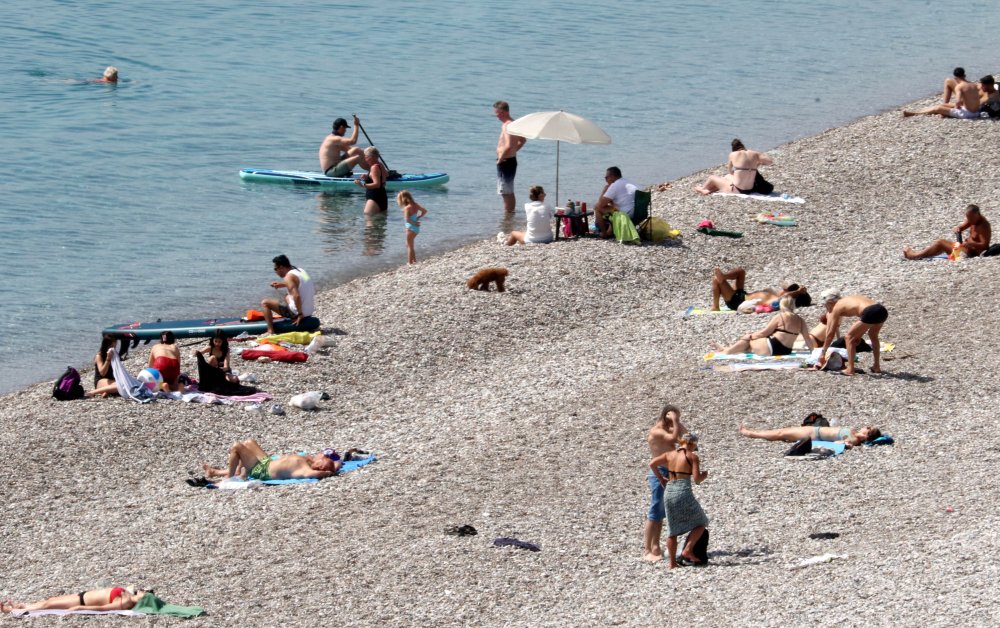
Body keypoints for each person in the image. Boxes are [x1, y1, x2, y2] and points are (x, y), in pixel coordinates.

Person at [649, 433, 709, 569]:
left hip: (669, 491)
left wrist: (660, 478)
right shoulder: (692, 456)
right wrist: (704, 475)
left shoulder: (669, 454)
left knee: (672, 530)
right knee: (701, 522)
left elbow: (652, 464)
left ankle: (672, 564)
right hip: (683, 491)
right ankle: (687, 549)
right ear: (692, 444)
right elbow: (697, 479)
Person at [643, 405, 688, 563]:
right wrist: (674, 420)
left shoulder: (668, 429)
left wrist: (677, 421)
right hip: (659, 473)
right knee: (655, 510)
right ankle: (647, 549)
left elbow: (686, 438)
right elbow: (672, 438)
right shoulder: (657, 431)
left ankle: (655, 546)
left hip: (669, 472)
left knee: (661, 512)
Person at [814, 290, 888, 376]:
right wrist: (858, 336)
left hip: (870, 312)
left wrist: (822, 354)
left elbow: (830, 334)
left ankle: (850, 369)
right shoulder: (848, 299)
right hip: (881, 310)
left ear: (830, 302)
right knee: (873, 336)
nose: (825, 307)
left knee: (848, 338)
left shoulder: (835, 307)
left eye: (825, 305)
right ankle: (876, 366)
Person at [712, 296, 815, 356]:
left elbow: (764, 333)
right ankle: (726, 349)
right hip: (786, 351)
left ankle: (726, 351)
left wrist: (750, 335)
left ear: (782, 305)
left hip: (772, 346)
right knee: (748, 347)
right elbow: (807, 338)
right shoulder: (801, 320)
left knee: (747, 341)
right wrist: (813, 353)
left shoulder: (780, 317)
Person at [201, 439, 342, 481]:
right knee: (249, 442)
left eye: (322, 461)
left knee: (237, 447)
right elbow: (337, 463)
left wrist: (329, 473)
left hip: (261, 470)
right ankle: (215, 472)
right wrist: (336, 465)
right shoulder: (309, 461)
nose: (320, 458)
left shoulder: (307, 470)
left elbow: (320, 473)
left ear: (321, 468)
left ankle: (229, 479)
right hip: (267, 462)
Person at [904, 204, 991, 260]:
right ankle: (918, 254)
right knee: (941, 243)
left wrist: (970, 243)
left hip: (968, 255)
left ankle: (914, 256)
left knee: (940, 243)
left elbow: (985, 245)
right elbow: (962, 226)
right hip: (965, 248)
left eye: (971, 218)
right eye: (968, 218)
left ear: (978, 215)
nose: (969, 220)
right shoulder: (973, 220)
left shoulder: (984, 226)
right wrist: (958, 228)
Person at [710, 266, 811, 312]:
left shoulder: (777, 301)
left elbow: (785, 297)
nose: (782, 289)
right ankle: (724, 276)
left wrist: (797, 292)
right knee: (741, 271)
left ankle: (715, 306)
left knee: (716, 280)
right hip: (742, 295)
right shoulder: (774, 295)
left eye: (785, 289)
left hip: (737, 301)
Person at [694, 139, 773, 195]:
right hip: (750, 189)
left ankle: (703, 189)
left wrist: (738, 171)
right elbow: (769, 161)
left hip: (737, 190)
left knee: (712, 177)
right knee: (728, 177)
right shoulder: (755, 153)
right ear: (743, 146)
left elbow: (730, 171)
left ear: (734, 149)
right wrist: (757, 164)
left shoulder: (733, 154)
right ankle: (712, 189)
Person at [261, 254, 315, 335]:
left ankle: (270, 330)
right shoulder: (300, 270)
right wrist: (282, 284)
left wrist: (300, 314)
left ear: (281, 267)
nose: (275, 272)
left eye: (275, 269)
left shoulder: (288, 277)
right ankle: (296, 311)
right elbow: (302, 283)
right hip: (309, 310)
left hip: (299, 313)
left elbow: (297, 296)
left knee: (265, 303)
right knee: (287, 296)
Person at [2, 586, 147, 614]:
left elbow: (103, 609)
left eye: (146, 594)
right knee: (50, 599)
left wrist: (79, 609)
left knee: (48, 605)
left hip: (81, 602)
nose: (144, 591)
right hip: (82, 595)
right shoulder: (127, 593)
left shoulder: (125, 603)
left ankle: (12, 610)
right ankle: (23, 605)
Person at [903, 75, 987, 118]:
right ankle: (921, 111)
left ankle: (915, 113)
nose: (981, 86)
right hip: (973, 111)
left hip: (969, 113)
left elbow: (958, 102)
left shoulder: (963, 87)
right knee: (942, 106)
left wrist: (959, 105)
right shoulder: (976, 86)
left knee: (938, 108)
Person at [739, 423, 882, 448]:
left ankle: (752, 434)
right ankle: (755, 433)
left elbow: (844, 444)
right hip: (816, 430)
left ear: (867, 434)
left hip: (814, 434)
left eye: (868, 428)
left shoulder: (854, 438)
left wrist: (846, 444)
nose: (866, 426)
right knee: (783, 432)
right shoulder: (854, 433)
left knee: (781, 434)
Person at [494, 101, 526, 213]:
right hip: (511, 159)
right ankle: (510, 215)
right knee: (508, 190)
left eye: (496, 113)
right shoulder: (514, 123)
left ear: (502, 112)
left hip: (506, 161)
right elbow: (522, 140)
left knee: (506, 192)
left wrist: (500, 159)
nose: (496, 115)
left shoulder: (506, 125)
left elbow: (507, 145)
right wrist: (514, 150)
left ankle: (508, 215)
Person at [594, 167, 638, 238]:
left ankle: (604, 234)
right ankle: (610, 231)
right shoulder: (627, 182)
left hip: (625, 214)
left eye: (606, 177)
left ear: (612, 176)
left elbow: (600, 204)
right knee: (613, 207)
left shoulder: (615, 185)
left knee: (597, 208)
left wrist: (604, 190)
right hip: (637, 212)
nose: (605, 180)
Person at [397, 190, 428, 264]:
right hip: (416, 229)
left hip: (410, 228)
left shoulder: (407, 208)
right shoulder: (416, 205)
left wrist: (414, 222)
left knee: (409, 246)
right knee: (409, 245)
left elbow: (407, 219)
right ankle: (414, 260)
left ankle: (409, 263)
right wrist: (418, 217)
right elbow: (424, 211)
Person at [354, 146, 388, 214]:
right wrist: (368, 176)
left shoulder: (374, 167)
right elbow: (385, 176)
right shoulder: (380, 165)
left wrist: (362, 185)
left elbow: (377, 184)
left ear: (371, 157)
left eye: (366, 157)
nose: (365, 159)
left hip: (374, 198)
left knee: (368, 220)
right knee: (379, 223)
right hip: (382, 197)